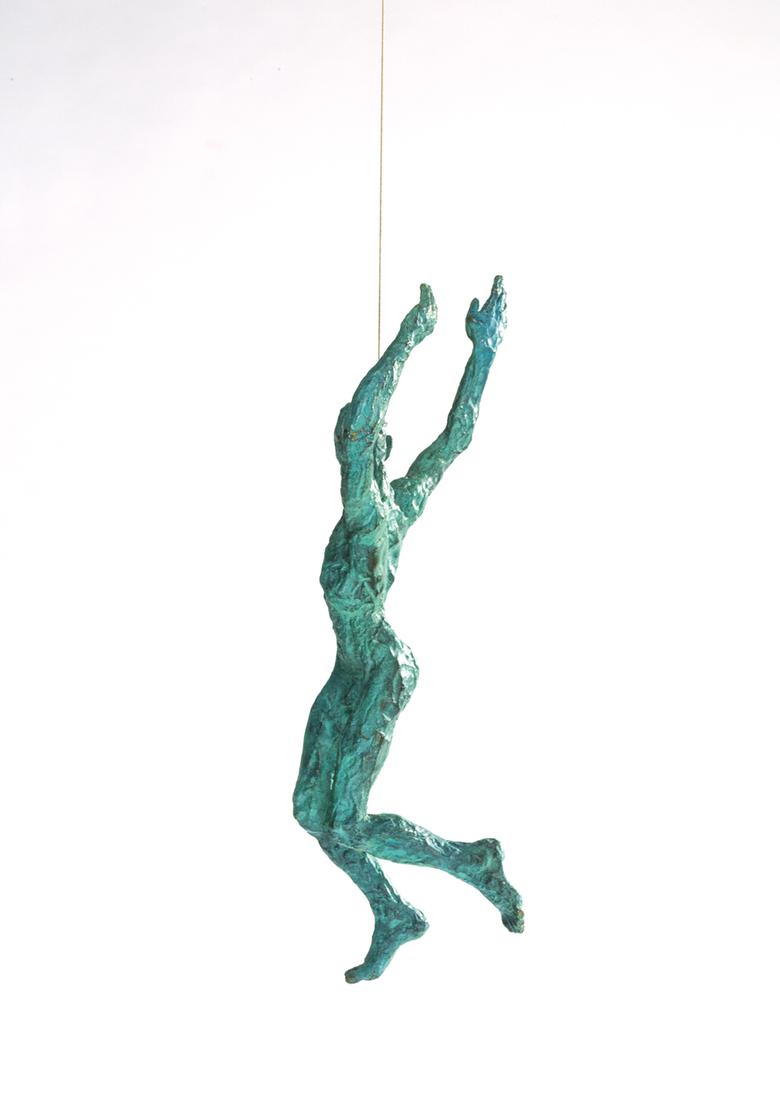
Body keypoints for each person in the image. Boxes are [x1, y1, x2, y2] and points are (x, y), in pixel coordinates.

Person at [293, 276, 523, 983]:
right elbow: (448, 437)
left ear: (376, 450)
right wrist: (479, 355)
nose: (350, 450)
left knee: (349, 821)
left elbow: (405, 434)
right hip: (349, 669)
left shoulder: (377, 512)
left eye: (360, 444)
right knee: (311, 812)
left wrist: (411, 340)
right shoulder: (369, 511)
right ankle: (393, 911)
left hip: (385, 668)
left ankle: (472, 862)